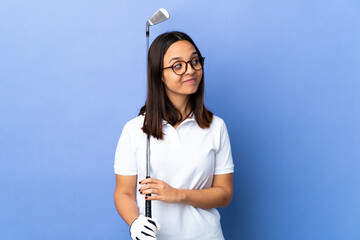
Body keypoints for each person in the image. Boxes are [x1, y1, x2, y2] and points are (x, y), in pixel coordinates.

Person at [113, 31, 234, 240]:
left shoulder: (216, 127)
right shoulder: (134, 130)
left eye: (195, 61)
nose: (191, 71)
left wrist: (178, 194)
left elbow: (224, 194)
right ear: (159, 74)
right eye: (178, 65)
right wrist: (135, 222)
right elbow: (123, 193)